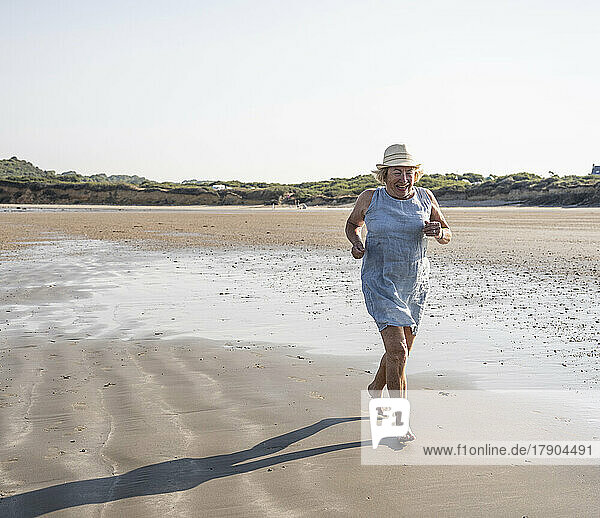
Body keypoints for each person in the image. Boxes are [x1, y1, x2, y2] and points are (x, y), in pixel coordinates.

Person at [345, 144, 452, 441]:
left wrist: (439, 232)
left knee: (399, 353)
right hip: (380, 281)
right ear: (384, 174)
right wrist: (356, 243)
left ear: (416, 174)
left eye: (409, 172)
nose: (404, 178)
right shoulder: (370, 198)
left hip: (414, 283)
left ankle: (375, 388)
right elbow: (353, 224)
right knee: (398, 350)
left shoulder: (426, 197)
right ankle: (395, 423)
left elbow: (446, 232)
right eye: (397, 172)